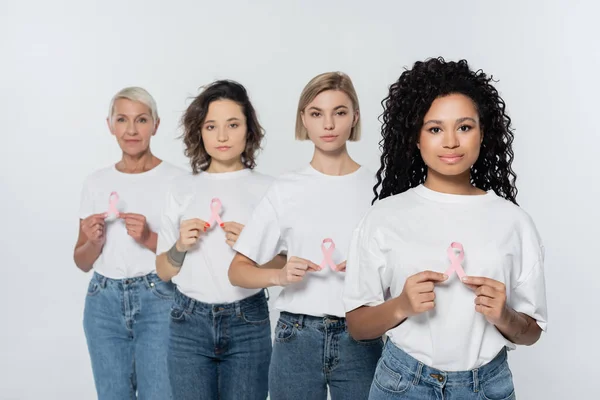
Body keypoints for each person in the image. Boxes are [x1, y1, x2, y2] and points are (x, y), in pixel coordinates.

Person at [344, 57, 547, 400]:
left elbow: (531, 332)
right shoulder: (384, 217)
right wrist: (401, 306)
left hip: (488, 387)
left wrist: (505, 316)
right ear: (416, 138)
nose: (451, 141)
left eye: (464, 127)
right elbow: (357, 326)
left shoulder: (514, 221)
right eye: (435, 129)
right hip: (403, 384)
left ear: (483, 133)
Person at [229, 72, 382, 400]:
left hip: (361, 335)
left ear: (355, 118)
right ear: (304, 120)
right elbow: (238, 271)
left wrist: (369, 271)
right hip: (296, 337)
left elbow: (396, 276)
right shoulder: (286, 188)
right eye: (317, 113)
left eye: (339, 112)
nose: (328, 124)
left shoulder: (378, 191)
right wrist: (279, 274)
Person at [155, 80, 279, 400]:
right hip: (187, 323)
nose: (222, 136)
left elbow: (285, 263)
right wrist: (180, 246)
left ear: (249, 130)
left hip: (248, 321)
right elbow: (164, 271)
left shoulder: (271, 189)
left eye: (232, 125)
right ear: (200, 132)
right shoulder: (180, 188)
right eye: (211, 126)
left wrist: (255, 247)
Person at [74, 87, 184, 399]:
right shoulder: (95, 182)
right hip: (102, 302)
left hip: (159, 300)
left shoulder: (177, 181)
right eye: (122, 120)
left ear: (156, 125)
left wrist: (149, 238)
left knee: (161, 393)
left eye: (141, 120)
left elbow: (187, 259)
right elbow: (81, 261)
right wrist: (94, 242)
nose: (132, 130)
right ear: (110, 125)